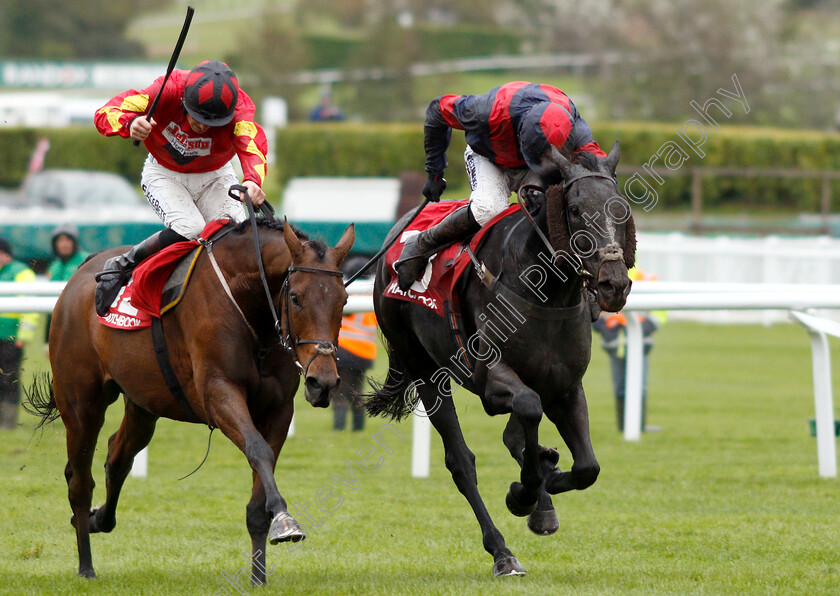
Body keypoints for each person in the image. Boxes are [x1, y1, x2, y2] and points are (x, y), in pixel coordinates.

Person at [92, 59, 268, 316]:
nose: (203, 127)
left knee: (236, 235)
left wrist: (253, 180)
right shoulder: (166, 89)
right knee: (191, 228)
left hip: (215, 176)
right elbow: (106, 112)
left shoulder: (241, 109)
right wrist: (129, 124)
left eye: (213, 122)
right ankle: (123, 265)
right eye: (197, 117)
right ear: (184, 100)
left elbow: (251, 144)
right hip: (165, 174)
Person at [396, 81, 607, 290]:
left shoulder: (574, 124)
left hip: (535, 164)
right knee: (488, 209)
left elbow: (599, 169)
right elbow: (437, 110)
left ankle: (585, 281)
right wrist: (435, 172)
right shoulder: (487, 111)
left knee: (554, 207)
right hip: (488, 156)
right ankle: (421, 244)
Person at [592, 267, 665, 432]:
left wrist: (649, 325)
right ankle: (624, 426)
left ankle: (638, 426)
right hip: (615, 342)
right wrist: (600, 326)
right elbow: (591, 303)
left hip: (640, 342)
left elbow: (661, 309)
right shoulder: (602, 277)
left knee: (640, 383)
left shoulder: (645, 277)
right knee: (620, 385)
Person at [332, 256, 377, 431]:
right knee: (357, 392)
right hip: (364, 352)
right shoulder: (372, 294)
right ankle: (358, 428)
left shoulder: (345, 291)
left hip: (344, 350)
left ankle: (339, 428)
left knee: (340, 394)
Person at [0, 238, 37, 430]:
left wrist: (23, 336)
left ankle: (8, 422)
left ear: (5, 253)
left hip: (12, 337)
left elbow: (29, 306)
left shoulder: (21, 272)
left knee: (9, 378)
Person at [44, 224, 89, 346]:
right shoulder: (54, 267)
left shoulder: (87, 261)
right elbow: (50, 305)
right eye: (60, 240)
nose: (64, 244)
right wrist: (47, 340)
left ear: (74, 242)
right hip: (60, 325)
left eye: (67, 240)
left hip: (82, 324)